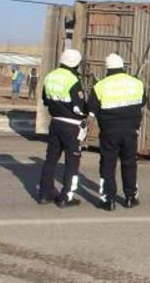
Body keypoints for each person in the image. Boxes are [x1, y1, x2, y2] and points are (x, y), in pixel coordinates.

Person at [88, 53, 146, 211]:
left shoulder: (100, 86)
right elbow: (142, 102)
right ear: (123, 67)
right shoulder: (136, 83)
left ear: (107, 69)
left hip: (109, 132)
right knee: (129, 163)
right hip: (130, 131)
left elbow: (91, 110)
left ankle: (109, 200)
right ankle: (130, 197)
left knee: (107, 164)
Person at [38, 49, 87, 208]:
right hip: (71, 126)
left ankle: (45, 194)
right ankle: (67, 196)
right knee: (72, 162)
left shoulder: (50, 76)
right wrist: (87, 111)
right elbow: (79, 108)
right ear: (75, 64)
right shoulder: (72, 80)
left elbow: (45, 100)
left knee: (50, 159)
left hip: (55, 123)